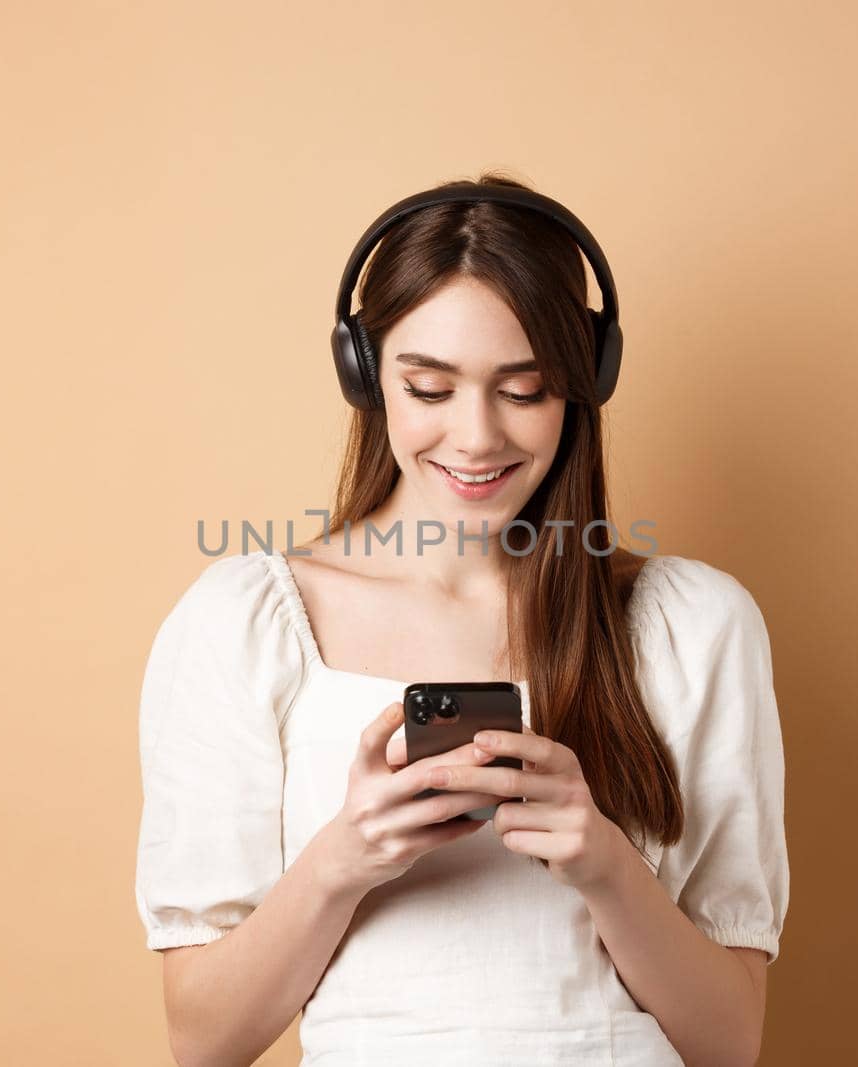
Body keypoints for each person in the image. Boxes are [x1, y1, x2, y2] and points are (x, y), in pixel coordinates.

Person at [135, 172, 790, 1065]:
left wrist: (604, 862)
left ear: (581, 386)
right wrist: (345, 857)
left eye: (522, 391)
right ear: (367, 378)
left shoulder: (694, 626)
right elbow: (204, 1043)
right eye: (430, 389)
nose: (477, 437)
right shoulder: (244, 623)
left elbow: (730, 1044)